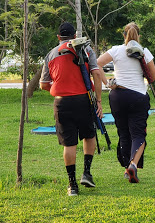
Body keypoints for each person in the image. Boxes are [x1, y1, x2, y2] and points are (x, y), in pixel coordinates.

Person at [39, 22, 103, 196]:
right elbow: (96, 73)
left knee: (69, 143)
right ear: (75, 36)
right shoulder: (86, 49)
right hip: (85, 100)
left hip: (62, 103)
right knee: (89, 135)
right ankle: (87, 173)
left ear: (59, 37)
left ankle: (72, 185)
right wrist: (98, 101)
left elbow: (43, 84)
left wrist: (59, 86)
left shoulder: (51, 54)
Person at [97, 22, 155, 183]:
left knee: (123, 132)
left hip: (117, 96)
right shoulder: (144, 52)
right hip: (138, 96)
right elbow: (154, 75)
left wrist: (107, 83)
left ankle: (126, 168)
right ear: (139, 36)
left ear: (124, 35)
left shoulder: (116, 50)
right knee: (138, 134)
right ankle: (133, 165)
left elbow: (96, 64)